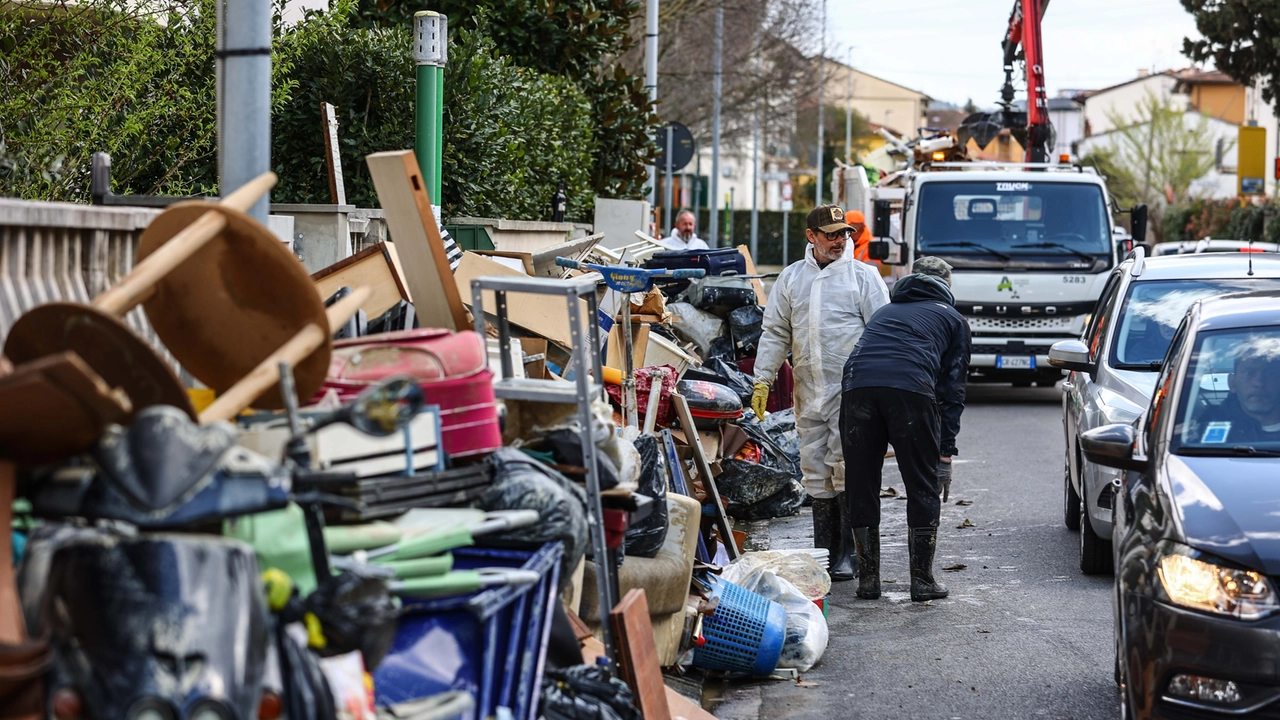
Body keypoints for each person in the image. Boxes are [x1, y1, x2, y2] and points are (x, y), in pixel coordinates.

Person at [751, 204, 890, 581]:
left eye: (844, 233)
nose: (839, 241)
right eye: (830, 234)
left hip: (851, 391)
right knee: (815, 470)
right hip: (809, 389)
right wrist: (762, 378)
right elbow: (776, 331)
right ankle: (825, 551)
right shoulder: (793, 278)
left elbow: (882, 335)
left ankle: (852, 554)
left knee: (847, 468)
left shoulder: (864, 277)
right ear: (811, 237)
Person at [840, 256, 970, 602]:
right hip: (910, 392)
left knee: (861, 480)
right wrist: (944, 454)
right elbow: (951, 392)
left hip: (856, 389)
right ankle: (922, 581)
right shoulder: (952, 319)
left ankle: (868, 581)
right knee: (921, 483)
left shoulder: (884, 312)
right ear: (946, 286)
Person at [1190, 343, 1280, 444]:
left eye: (1270, 373)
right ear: (1232, 383)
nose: (1259, 382)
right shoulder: (1200, 434)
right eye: (1249, 373)